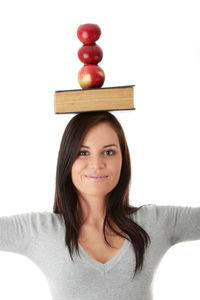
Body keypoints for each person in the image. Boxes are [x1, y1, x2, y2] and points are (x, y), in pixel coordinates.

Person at [0, 110, 200, 300]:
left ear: (123, 160)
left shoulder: (155, 223)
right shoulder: (40, 230)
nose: (96, 164)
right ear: (67, 161)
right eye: (83, 153)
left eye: (109, 152)